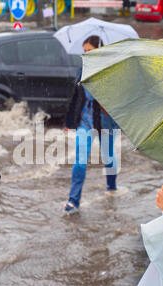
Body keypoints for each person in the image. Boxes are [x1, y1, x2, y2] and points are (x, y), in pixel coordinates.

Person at [63, 36, 120, 214]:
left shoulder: (109, 71)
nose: (86, 54)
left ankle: (112, 187)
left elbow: (118, 98)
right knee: (80, 160)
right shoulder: (83, 70)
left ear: (99, 50)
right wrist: (69, 121)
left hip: (105, 121)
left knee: (108, 157)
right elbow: (76, 96)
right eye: (84, 51)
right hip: (85, 121)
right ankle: (73, 201)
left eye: (90, 50)